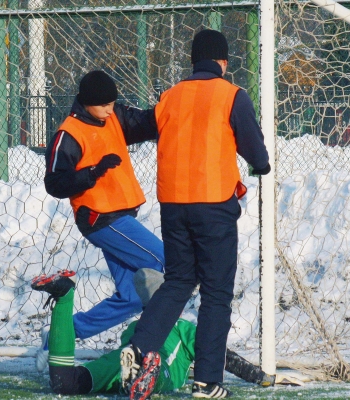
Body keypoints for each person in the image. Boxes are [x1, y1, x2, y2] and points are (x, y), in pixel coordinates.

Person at [121, 29, 272, 399]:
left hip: (173, 206)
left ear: (193, 62)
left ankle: (140, 347)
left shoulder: (170, 96)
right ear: (222, 62)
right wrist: (260, 164)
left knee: (178, 281)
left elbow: (139, 127)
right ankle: (207, 381)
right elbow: (257, 154)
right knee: (217, 294)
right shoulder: (232, 95)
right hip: (214, 205)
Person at [41, 70, 164, 369]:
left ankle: (59, 336)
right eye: (104, 105)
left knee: (132, 298)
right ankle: (155, 342)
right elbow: (55, 183)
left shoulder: (114, 116)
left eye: (113, 103)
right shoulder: (69, 134)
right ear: (86, 102)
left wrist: (168, 106)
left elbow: (147, 123)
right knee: (167, 264)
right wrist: (92, 173)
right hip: (100, 219)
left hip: (120, 215)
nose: (110, 110)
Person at [30, 269, 302, 396]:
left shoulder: (136, 328)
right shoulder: (185, 329)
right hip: (157, 365)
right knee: (161, 374)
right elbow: (221, 355)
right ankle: (148, 374)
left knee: (65, 383)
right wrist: (264, 378)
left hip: (120, 358)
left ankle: (64, 297)